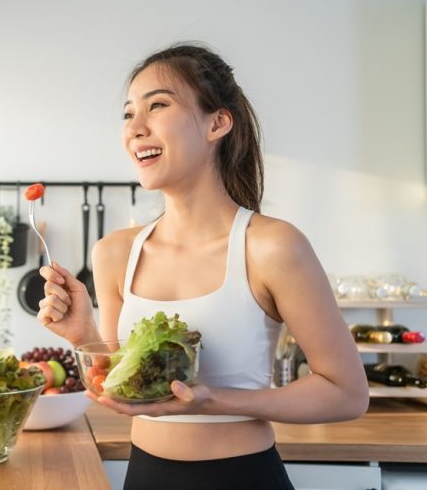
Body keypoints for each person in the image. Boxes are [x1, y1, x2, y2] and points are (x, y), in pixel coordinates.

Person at [37, 42, 369, 490]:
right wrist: (86, 338)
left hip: (243, 477)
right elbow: (126, 386)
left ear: (218, 123)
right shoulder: (115, 253)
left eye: (158, 105)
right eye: (128, 113)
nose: (135, 128)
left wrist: (212, 401)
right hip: (145, 476)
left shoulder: (271, 246)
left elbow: (346, 393)